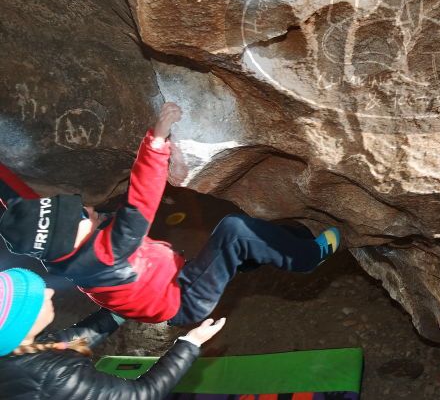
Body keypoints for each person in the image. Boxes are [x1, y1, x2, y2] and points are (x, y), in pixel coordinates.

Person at [0, 102, 341, 326]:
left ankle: (253, 255)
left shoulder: (56, 252)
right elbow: (141, 200)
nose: (86, 207)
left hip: (165, 285)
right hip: (183, 298)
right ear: (70, 238)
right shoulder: (108, 251)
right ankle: (307, 257)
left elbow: (19, 205)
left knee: (235, 247)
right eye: (80, 214)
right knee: (235, 230)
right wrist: (157, 139)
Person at [0, 267, 226, 399]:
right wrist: (190, 343)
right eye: (36, 300)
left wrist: (123, 309)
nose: (49, 292)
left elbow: (71, 341)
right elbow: (142, 394)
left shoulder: (17, 347)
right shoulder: (57, 376)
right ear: (21, 324)